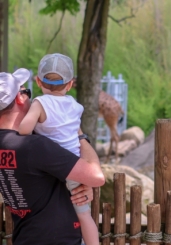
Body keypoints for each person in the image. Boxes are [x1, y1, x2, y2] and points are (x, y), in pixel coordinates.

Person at [0, 67, 105, 244]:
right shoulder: (33, 146)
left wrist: (82, 186)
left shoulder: (18, 144)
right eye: (27, 92)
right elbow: (96, 177)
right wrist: (78, 134)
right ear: (19, 97)